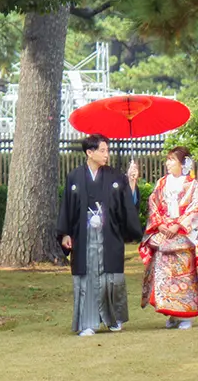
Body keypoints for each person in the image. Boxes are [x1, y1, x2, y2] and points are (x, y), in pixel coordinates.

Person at [56, 133, 141, 337]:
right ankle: (87, 322)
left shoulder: (115, 176)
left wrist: (130, 182)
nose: (106, 154)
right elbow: (67, 207)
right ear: (89, 152)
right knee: (86, 277)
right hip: (83, 234)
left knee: (111, 277)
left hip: (109, 233)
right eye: (102, 150)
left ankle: (115, 319)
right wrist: (65, 233)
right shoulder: (75, 177)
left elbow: (128, 204)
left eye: (107, 150)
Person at [140, 145, 198, 328]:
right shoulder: (161, 183)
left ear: (183, 164)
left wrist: (178, 224)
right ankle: (172, 313)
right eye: (168, 159)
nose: (168, 163)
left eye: (172, 160)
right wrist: (160, 224)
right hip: (164, 234)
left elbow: (197, 207)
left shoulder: (191, 184)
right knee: (165, 276)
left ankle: (186, 314)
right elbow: (153, 204)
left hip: (183, 236)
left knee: (184, 276)